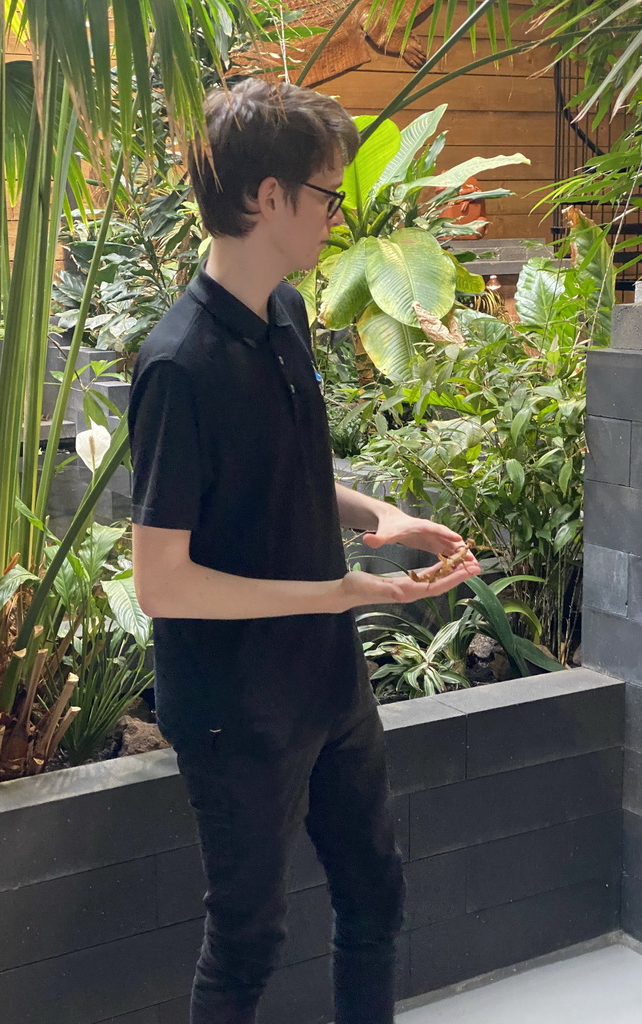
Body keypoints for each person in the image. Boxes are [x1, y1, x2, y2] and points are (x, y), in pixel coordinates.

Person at [127, 78, 480, 1024]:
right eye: (326, 194)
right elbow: (161, 582)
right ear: (268, 198)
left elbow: (272, 475)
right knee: (247, 938)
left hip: (326, 676)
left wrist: (379, 518)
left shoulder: (283, 316)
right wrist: (334, 593)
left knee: (377, 895)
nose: (338, 213)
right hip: (234, 707)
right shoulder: (178, 364)